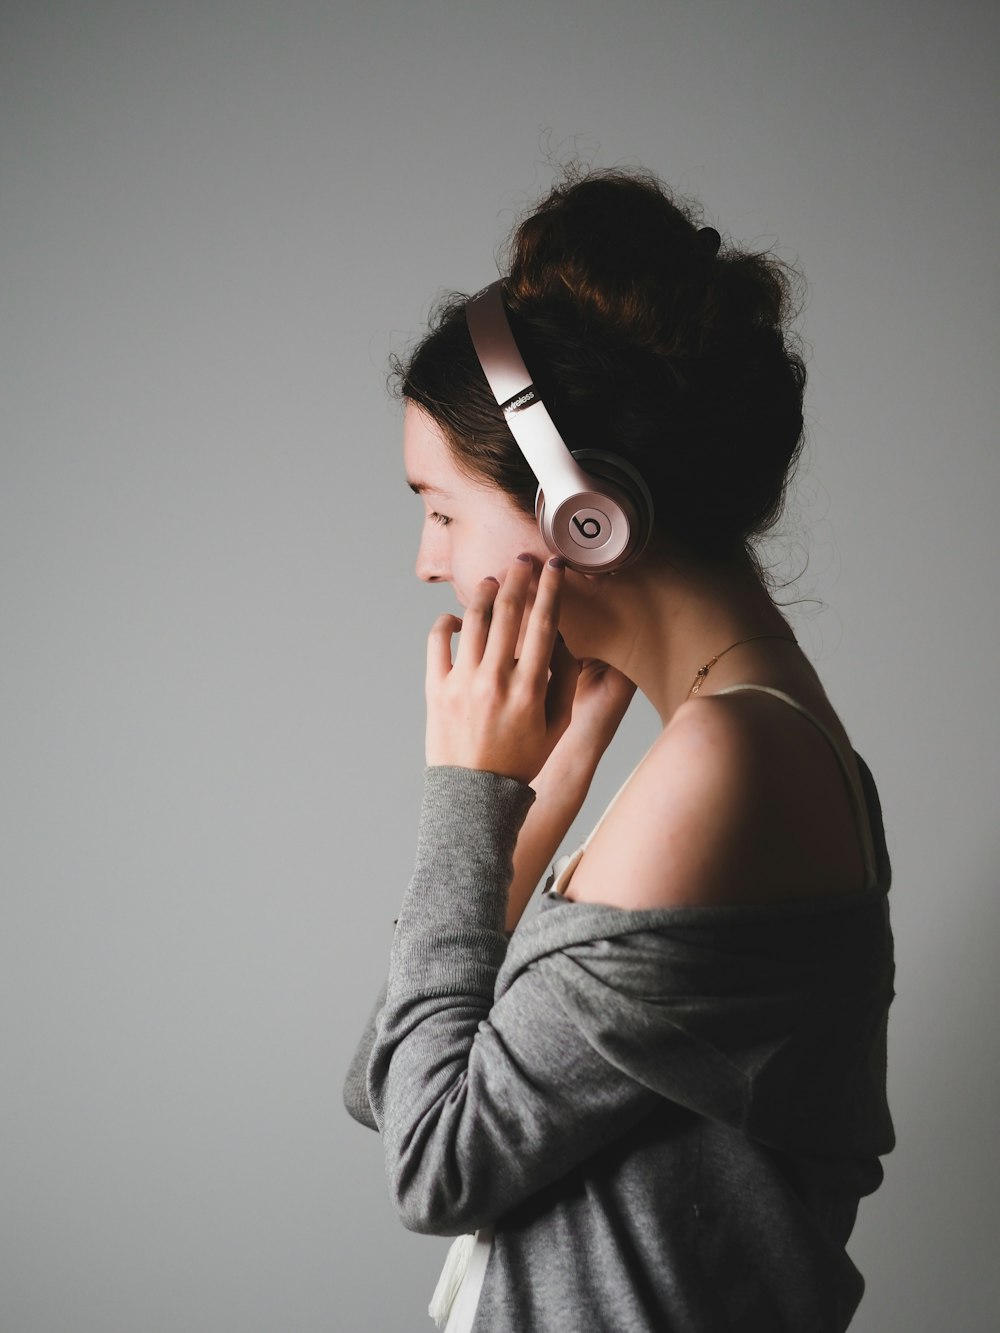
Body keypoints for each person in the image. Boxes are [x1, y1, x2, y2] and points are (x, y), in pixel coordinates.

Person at [344, 167, 894, 1332]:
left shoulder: (727, 764)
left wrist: (468, 793)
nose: (425, 559)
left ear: (580, 512)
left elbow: (432, 1164)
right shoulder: (725, 743)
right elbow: (386, 1079)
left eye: (440, 508)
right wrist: (535, 801)